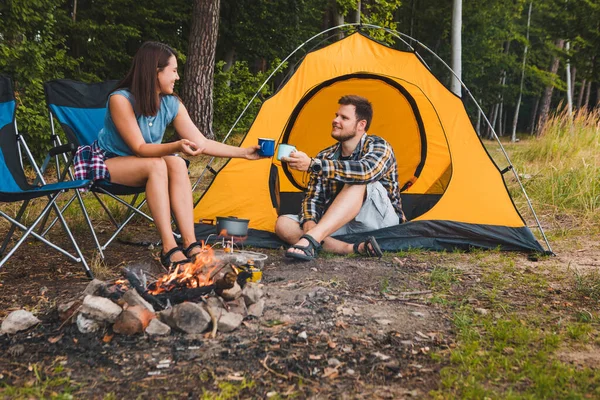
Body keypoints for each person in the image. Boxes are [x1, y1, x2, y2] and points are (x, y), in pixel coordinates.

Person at [74, 41, 262, 268]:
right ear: (156, 72)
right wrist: (176, 146)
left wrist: (243, 153)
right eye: (173, 70)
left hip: (148, 163)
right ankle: (168, 246)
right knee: (158, 164)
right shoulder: (120, 100)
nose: (178, 77)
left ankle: (191, 243)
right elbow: (140, 148)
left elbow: (201, 142)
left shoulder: (171, 103)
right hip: (108, 161)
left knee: (177, 165)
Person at [275, 95, 405, 261]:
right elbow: (313, 197)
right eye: (336, 115)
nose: (335, 120)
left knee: (358, 180)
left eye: (344, 117)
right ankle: (351, 249)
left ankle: (313, 238)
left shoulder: (379, 145)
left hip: (379, 220)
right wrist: (309, 222)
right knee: (284, 224)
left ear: (361, 125)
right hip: (341, 221)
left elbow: (366, 171)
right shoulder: (325, 155)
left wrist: (313, 165)